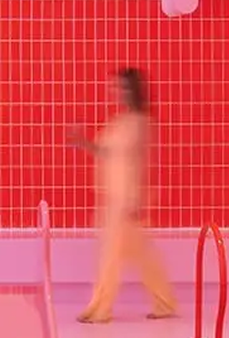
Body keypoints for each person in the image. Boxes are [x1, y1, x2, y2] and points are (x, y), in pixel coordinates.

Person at [69, 68, 176, 323]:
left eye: (122, 87)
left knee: (111, 256)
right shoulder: (120, 122)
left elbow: (142, 162)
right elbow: (105, 152)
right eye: (116, 87)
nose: (117, 92)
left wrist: (137, 200)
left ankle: (100, 309)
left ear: (134, 90)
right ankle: (164, 302)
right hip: (112, 196)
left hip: (126, 199)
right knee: (142, 255)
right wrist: (82, 142)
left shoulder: (140, 123)